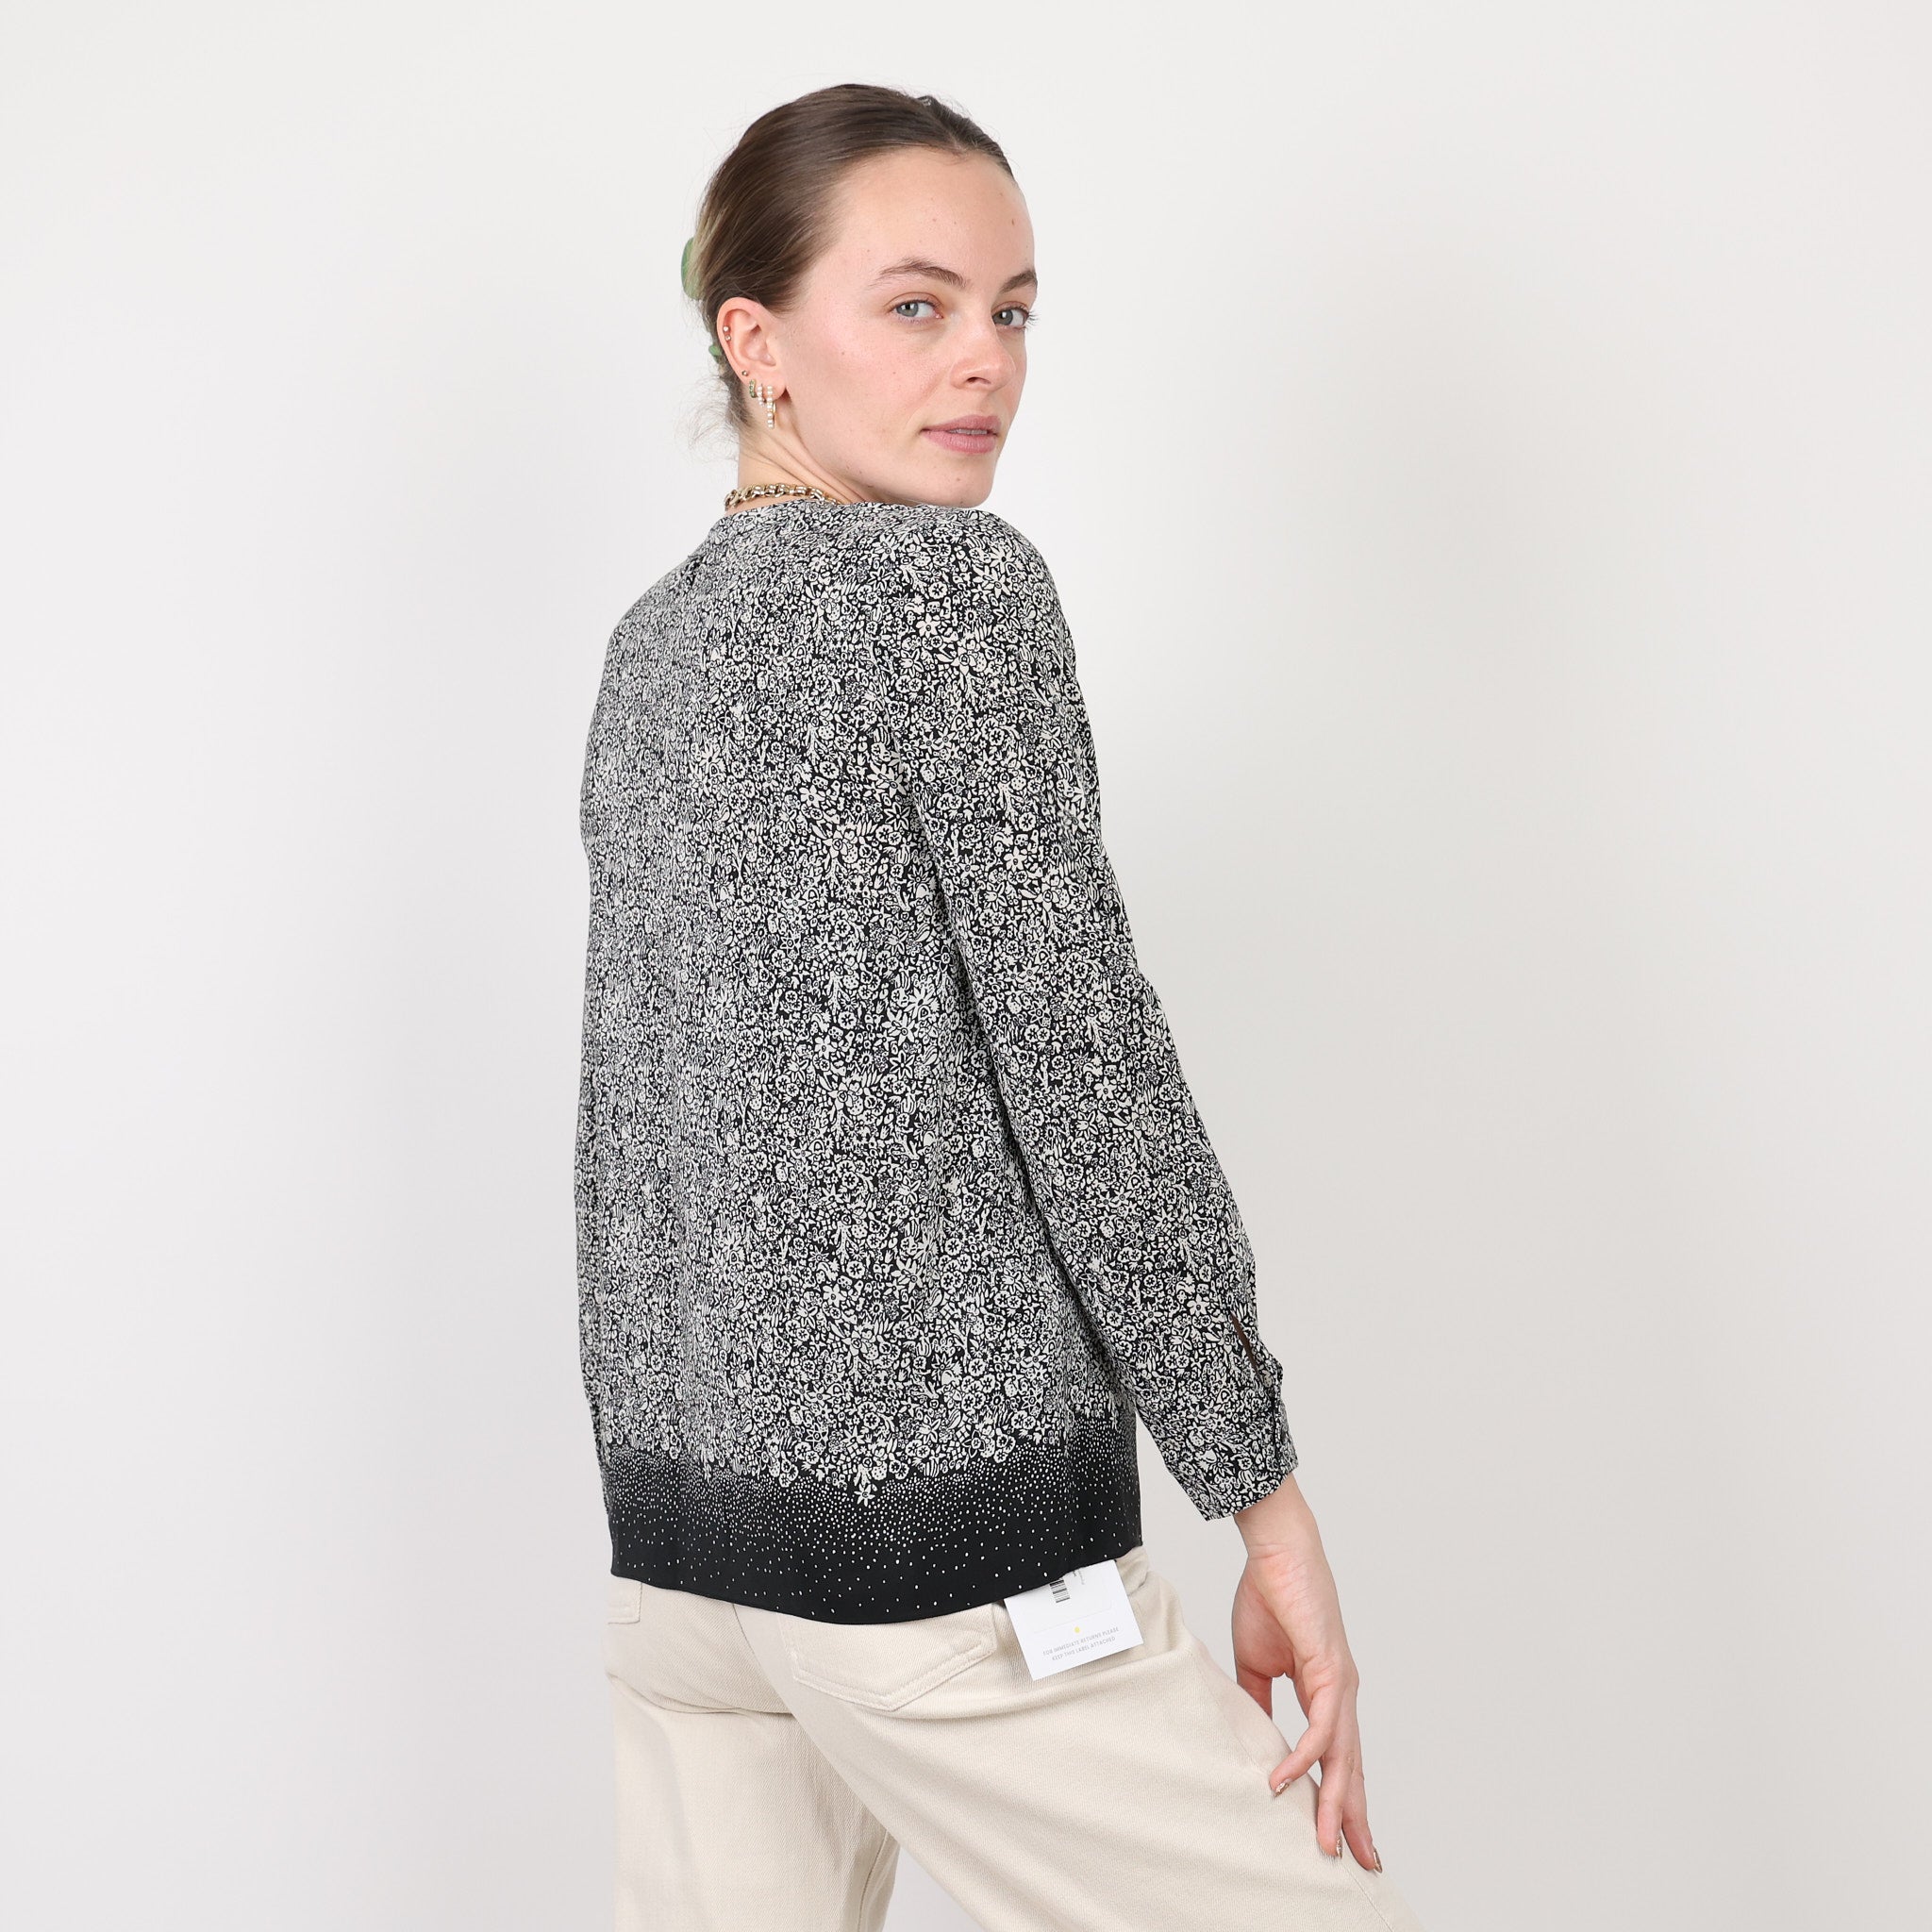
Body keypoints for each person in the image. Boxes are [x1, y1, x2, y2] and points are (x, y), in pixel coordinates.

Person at [575, 81, 1425, 1932]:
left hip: (696, 1564)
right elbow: (1085, 1069)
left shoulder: (650, 650)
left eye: (1012, 309)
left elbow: (639, 1124)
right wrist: (1263, 1502)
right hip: (937, 1552)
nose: (986, 360)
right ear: (757, 340)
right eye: (917, 305)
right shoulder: (952, 595)